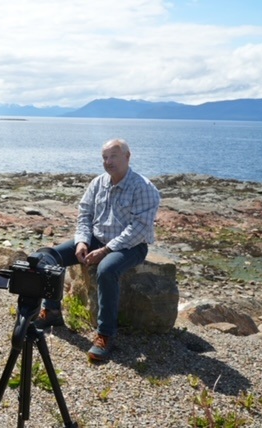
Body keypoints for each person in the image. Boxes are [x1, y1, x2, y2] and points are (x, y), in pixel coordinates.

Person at [34, 138, 160, 361]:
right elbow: (84, 215)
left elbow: (138, 229)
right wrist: (82, 241)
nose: (108, 162)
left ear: (127, 157)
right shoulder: (98, 183)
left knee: (107, 270)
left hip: (131, 246)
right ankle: (52, 311)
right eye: (104, 157)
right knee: (47, 256)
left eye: (113, 156)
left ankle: (105, 334)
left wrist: (106, 250)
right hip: (95, 239)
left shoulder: (144, 188)